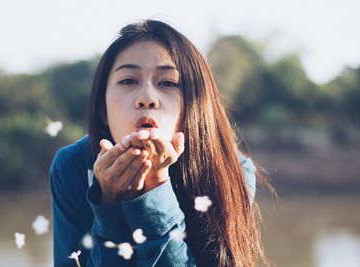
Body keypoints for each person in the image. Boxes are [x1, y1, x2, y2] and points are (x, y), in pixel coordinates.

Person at [50, 19, 268, 267]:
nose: (146, 98)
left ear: (193, 107)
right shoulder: (74, 165)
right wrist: (108, 200)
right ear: (102, 109)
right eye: (128, 81)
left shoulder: (231, 170)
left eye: (167, 83)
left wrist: (155, 187)